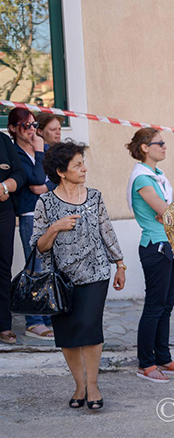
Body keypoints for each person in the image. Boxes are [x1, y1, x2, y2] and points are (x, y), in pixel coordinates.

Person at [31, 141, 126, 410]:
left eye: (83, 163)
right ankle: (79, 384)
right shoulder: (45, 203)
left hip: (96, 273)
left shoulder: (94, 197)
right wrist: (55, 228)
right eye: (78, 165)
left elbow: (107, 231)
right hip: (60, 279)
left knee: (90, 328)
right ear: (61, 171)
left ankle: (93, 385)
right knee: (68, 333)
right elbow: (38, 246)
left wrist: (119, 264)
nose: (84, 168)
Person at [125, 128, 174, 383]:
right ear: (144, 147)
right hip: (155, 246)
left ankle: (163, 357)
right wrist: (171, 212)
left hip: (169, 244)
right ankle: (146, 364)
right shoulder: (142, 177)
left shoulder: (159, 175)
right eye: (159, 143)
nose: (164, 147)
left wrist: (171, 213)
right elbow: (167, 210)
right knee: (154, 306)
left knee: (166, 305)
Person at [9, 108, 54, 340]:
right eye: (26, 126)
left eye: (34, 125)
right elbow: (35, 178)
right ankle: (33, 321)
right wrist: (38, 152)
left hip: (50, 213)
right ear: (13, 128)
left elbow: (58, 176)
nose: (32, 130)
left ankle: (46, 316)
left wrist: (47, 187)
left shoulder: (44, 149)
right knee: (34, 267)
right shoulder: (15, 152)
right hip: (29, 214)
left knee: (48, 267)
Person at [0, 129, 26, 345]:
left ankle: (3, 325)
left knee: (2, 266)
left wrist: (5, 186)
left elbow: (19, 173)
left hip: (3, 212)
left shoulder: (3, 141)